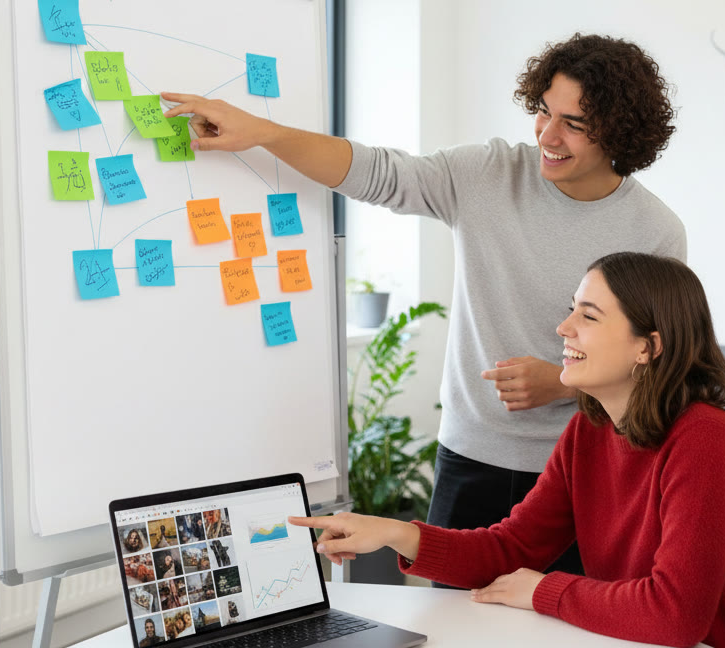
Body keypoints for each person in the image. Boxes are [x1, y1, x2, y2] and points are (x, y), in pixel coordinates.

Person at [164, 35, 684, 579]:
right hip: (471, 456)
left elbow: (659, 365)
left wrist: (564, 382)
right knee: (450, 622)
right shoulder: (487, 174)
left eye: (574, 124)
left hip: (589, 469)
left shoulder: (655, 231)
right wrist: (264, 133)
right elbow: (379, 172)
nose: (547, 137)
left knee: (568, 625)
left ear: (619, 132)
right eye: (542, 112)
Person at [289, 253, 725, 647]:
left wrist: (543, 591)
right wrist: (394, 533)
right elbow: (510, 547)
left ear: (648, 346)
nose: (563, 327)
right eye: (572, 309)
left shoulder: (704, 438)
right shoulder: (588, 430)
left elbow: (676, 614)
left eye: (588, 316)